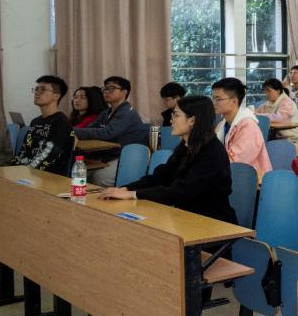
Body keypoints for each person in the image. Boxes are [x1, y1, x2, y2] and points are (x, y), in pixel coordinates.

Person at [100, 95, 237, 224]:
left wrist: (132, 194)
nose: (171, 120)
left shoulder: (212, 153)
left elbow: (180, 192)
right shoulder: (185, 147)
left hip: (212, 223)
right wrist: (125, 189)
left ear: (192, 120)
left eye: (176, 115)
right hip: (184, 218)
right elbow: (160, 177)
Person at [74, 76, 149, 186]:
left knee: (99, 178)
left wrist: (72, 130)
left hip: (126, 157)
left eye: (112, 88)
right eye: (105, 88)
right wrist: (75, 132)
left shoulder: (127, 112)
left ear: (124, 92)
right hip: (108, 155)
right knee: (79, 172)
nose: (106, 91)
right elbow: (90, 128)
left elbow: (107, 133)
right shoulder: (106, 113)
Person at [212, 77, 272, 176]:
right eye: (213, 98)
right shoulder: (222, 124)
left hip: (250, 180)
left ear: (234, 101)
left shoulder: (248, 127)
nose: (214, 103)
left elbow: (236, 162)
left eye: (218, 99)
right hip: (231, 175)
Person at [15, 75, 74, 175]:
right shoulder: (35, 122)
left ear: (56, 96)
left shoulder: (61, 122)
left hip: (48, 176)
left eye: (43, 89)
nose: (37, 92)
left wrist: (25, 172)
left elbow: (49, 156)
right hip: (28, 173)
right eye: (36, 89)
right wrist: (14, 167)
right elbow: (24, 149)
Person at [254, 78, 298, 150]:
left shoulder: (287, 102)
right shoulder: (267, 104)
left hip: (291, 140)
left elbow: (280, 118)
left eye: (269, 91)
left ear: (278, 91)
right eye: (265, 91)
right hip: (275, 139)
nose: (266, 94)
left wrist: (258, 115)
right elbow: (256, 113)